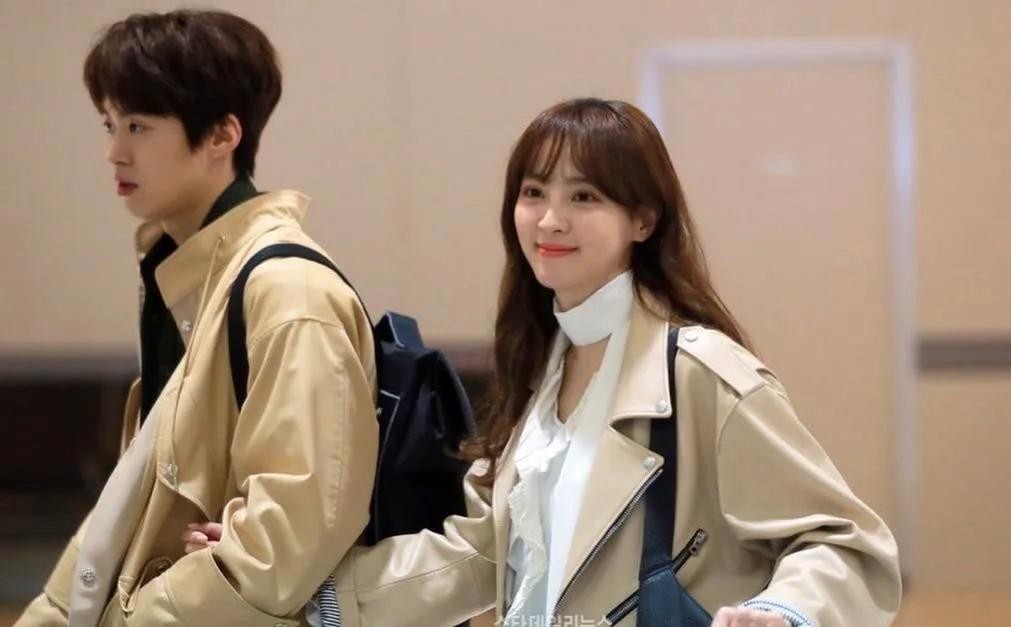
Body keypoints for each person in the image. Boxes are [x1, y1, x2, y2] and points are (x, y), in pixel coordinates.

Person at [188, 98, 903, 626]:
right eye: (533, 193)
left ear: (643, 219)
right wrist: (296, 585)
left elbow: (847, 544)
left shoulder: (698, 372)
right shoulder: (543, 371)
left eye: (583, 196)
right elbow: (482, 553)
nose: (550, 219)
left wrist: (785, 611)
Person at [15, 9, 378, 627]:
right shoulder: (187, 271)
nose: (114, 152)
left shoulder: (289, 294)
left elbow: (282, 550)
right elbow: (132, 510)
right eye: (109, 124)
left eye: (139, 125)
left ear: (221, 135)